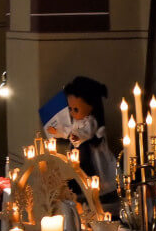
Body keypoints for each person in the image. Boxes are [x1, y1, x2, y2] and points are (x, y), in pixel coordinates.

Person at [44, 75, 118, 205]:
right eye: (70, 109)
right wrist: (57, 131)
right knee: (76, 172)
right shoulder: (77, 121)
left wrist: (76, 136)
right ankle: (80, 192)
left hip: (90, 155)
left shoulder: (91, 122)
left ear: (92, 106)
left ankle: (93, 194)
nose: (72, 113)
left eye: (76, 109)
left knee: (90, 175)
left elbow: (86, 133)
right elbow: (68, 129)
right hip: (79, 153)